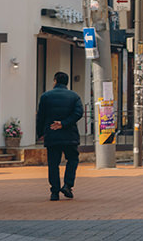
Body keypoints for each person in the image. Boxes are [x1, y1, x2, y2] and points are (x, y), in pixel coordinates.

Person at [36, 72, 83, 201]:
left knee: (53, 163)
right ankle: (68, 185)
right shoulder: (74, 96)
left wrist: (40, 133)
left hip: (52, 134)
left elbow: (40, 116)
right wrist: (64, 123)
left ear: (55, 80)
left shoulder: (46, 96)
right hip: (70, 134)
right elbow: (79, 113)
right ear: (66, 82)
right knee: (73, 159)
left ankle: (54, 192)